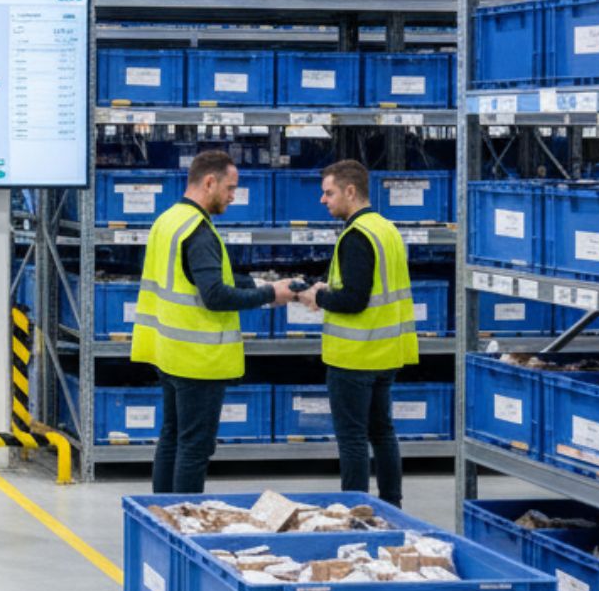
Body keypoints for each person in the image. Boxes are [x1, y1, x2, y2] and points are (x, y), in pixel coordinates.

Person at [133, 150, 294, 494]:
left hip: (169, 352)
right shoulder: (199, 231)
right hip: (199, 359)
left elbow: (206, 276)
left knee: (173, 438)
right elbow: (216, 295)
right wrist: (268, 296)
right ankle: (185, 525)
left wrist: (262, 284)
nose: (233, 196)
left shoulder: (169, 220)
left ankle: (162, 518)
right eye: (230, 188)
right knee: (195, 447)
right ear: (210, 182)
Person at [296, 160, 419, 507]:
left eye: (329, 192)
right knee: (383, 433)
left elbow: (353, 300)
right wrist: (328, 286)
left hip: (355, 357)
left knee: (352, 439)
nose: (323, 200)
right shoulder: (385, 229)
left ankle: (356, 511)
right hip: (386, 353)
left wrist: (316, 295)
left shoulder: (356, 236)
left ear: (351, 191)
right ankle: (392, 507)